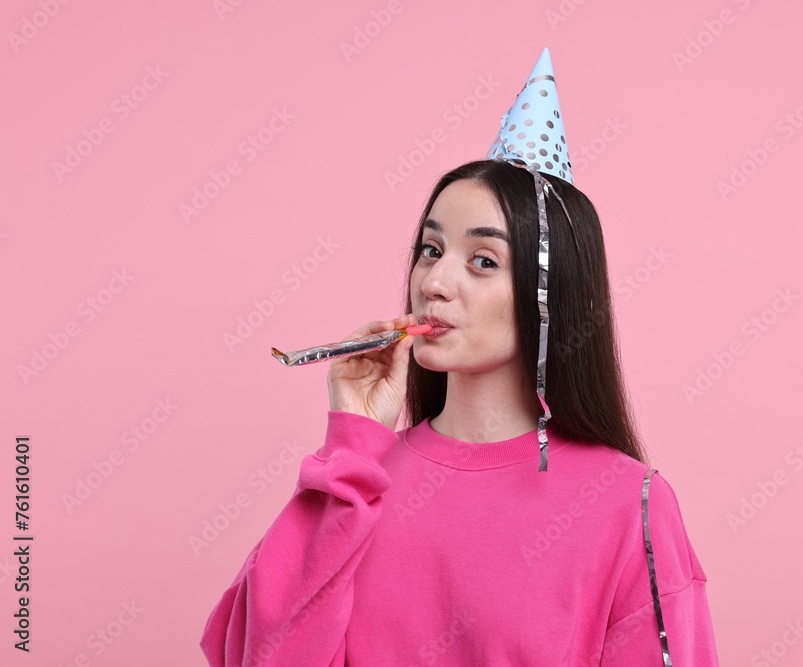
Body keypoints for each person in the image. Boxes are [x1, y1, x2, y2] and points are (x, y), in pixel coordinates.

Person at [200, 49, 719, 666]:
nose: (435, 281)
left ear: (553, 294)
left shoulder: (630, 504)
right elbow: (263, 655)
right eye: (430, 249)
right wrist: (353, 442)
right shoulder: (360, 482)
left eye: (482, 261)